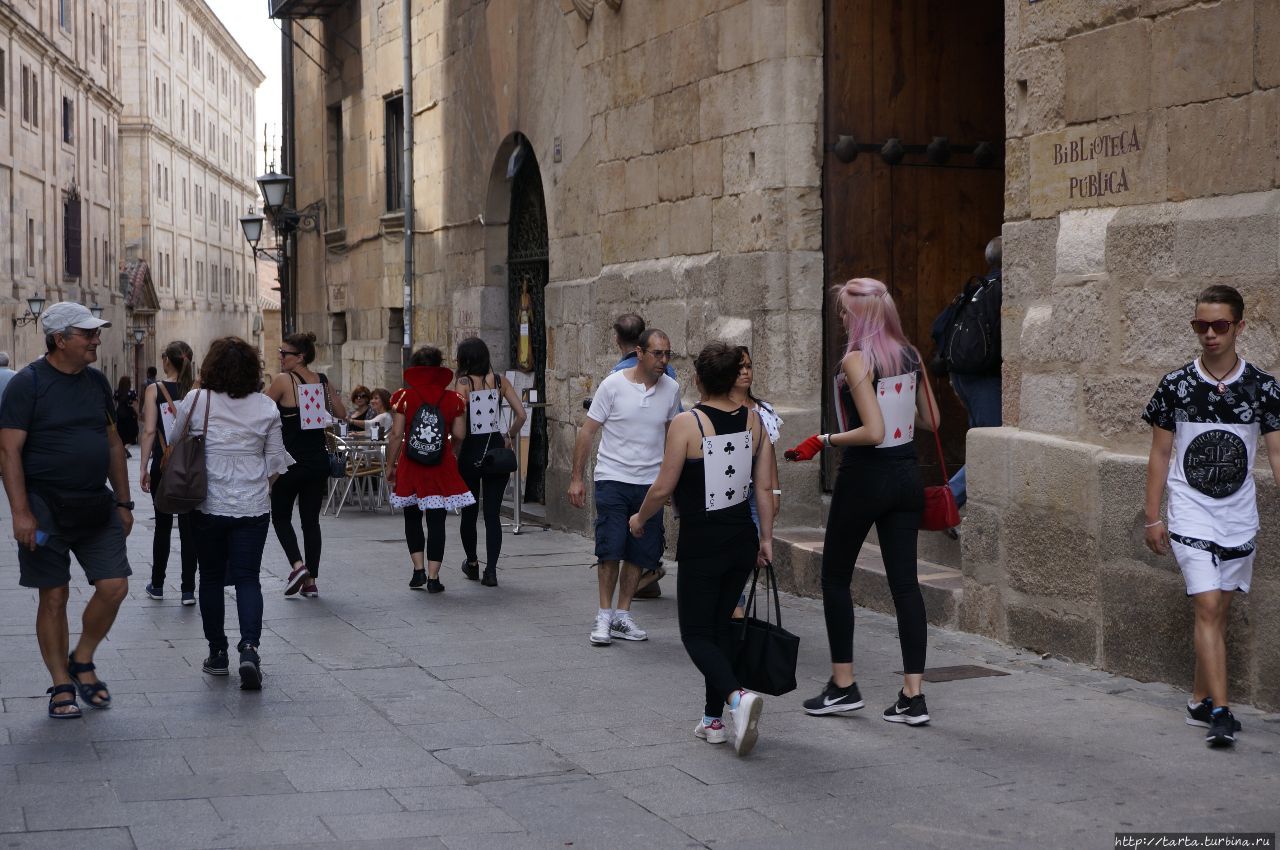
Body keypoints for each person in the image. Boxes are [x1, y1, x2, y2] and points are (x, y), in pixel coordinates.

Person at [785, 278, 939, 726]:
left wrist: (822, 439)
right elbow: (931, 419)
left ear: (859, 316)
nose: (840, 317)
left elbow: (871, 432)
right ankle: (913, 696)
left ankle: (843, 685)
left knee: (834, 577)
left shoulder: (857, 360)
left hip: (866, 477)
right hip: (907, 475)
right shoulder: (910, 356)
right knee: (906, 586)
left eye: (844, 311)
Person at [1142, 285, 1280, 748]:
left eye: (1220, 325)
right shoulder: (1175, 386)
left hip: (1239, 515)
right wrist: (1152, 516)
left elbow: (1278, 455)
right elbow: (1161, 454)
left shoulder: (1262, 387)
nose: (1209, 334)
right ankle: (1221, 712)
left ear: (1240, 327)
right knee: (1205, 605)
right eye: (1201, 326)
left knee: (1217, 611)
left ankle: (1199, 700)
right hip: (1190, 512)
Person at [629, 341, 774, 756]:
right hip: (741, 539)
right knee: (721, 627)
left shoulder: (687, 424)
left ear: (697, 380)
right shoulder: (755, 421)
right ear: (732, 378)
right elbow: (763, 487)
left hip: (702, 540)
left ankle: (735, 698)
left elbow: (663, 486)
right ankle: (713, 722)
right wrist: (765, 538)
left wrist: (639, 520)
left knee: (694, 633)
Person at [0, 302, 132, 719]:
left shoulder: (96, 382)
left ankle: (83, 657)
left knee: (114, 586)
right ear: (60, 340)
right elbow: (9, 451)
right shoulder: (28, 384)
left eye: (95, 332)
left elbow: (113, 444)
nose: (96, 339)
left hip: (95, 502)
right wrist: (21, 512)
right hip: (44, 507)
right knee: (53, 595)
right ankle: (61, 684)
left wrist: (125, 501)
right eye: (87, 333)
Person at [175, 337, 294, 689]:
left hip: (206, 504)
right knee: (247, 578)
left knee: (210, 577)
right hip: (252, 506)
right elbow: (275, 462)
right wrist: (255, 482)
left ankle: (217, 652)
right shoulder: (265, 407)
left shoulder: (196, 400)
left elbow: (176, 440)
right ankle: (249, 648)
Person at [568, 328, 681, 646]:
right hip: (613, 478)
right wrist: (577, 477)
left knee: (639, 552)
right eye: (657, 353)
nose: (663, 360)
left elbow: (673, 435)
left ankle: (622, 614)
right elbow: (588, 431)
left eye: (667, 354)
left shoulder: (671, 389)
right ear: (640, 353)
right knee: (610, 549)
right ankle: (603, 616)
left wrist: (672, 482)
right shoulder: (613, 385)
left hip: (650, 484)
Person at [386, 345, 475, 593]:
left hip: (411, 465)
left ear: (414, 368)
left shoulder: (404, 397)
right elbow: (459, 433)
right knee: (437, 521)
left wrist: (390, 465)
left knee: (412, 517)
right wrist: (451, 450)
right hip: (440, 464)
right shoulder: (453, 399)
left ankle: (418, 571)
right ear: (439, 368)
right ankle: (434, 577)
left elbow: (396, 435)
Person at [265, 331, 347, 598]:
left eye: (284, 353)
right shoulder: (321, 381)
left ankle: (298, 565)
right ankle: (311, 581)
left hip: (289, 463)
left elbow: (260, 412)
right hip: (317, 462)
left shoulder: (282, 380)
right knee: (310, 522)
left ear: (299, 357)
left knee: (279, 517)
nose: (280, 357)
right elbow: (342, 413)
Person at [931, 236, 1002, 513]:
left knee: (982, 448)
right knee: (991, 451)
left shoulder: (976, 289)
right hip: (985, 380)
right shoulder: (1001, 290)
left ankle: (958, 509)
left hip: (964, 378)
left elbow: (939, 328)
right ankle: (942, 505)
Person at [453, 337, 527, 587]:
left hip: (472, 452)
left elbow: (460, 426)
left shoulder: (462, 384)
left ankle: (472, 563)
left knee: (469, 514)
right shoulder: (500, 381)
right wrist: (509, 436)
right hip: (496, 450)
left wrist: (454, 449)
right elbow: (521, 414)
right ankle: (492, 571)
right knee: (493, 515)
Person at [138, 341, 198, 605]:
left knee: (162, 526)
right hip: (191, 465)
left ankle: (158, 584)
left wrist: (142, 467)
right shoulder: (198, 390)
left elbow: (150, 431)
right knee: (189, 528)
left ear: (167, 361)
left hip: (164, 463)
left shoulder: (155, 390)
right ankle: (187, 589)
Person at [730, 345, 782, 619]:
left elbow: (769, 455)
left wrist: (774, 491)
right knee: (737, 549)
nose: (745, 372)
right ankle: (735, 604)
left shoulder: (762, 410)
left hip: (756, 490)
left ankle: (736, 601)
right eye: (739, 368)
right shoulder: (721, 408)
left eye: (748, 366)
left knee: (754, 549)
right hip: (731, 490)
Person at [114, 375, 140, 448]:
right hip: (129, 414)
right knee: (130, 432)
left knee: (121, 432)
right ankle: (126, 447)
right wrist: (137, 414)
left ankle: (123, 446)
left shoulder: (117, 392)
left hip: (119, 414)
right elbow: (135, 405)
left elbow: (115, 404)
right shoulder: (131, 392)